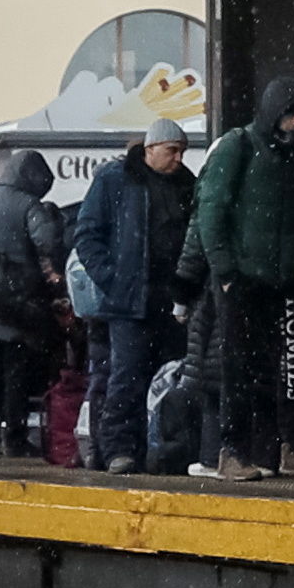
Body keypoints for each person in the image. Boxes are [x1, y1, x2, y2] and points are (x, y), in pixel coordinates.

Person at [186, 80, 294, 481]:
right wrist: (226, 273)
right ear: (273, 112)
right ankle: (235, 451)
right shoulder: (238, 147)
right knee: (242, 369)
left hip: (277, 283)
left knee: (278, 371)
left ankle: (274, 450)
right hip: (244, 282)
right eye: (290, 113)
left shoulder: (285, 154)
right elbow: (210, 212)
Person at [72, 123, 191, 471]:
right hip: (130, 301)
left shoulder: (184, 182)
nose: (179, 158)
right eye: (172, 151)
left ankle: (157, 449)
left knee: (168, 379)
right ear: (151, 148)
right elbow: (88, 235)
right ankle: (119, 449)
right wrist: (113, 280)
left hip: (169, 300)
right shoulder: (116, 179)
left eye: (182, 151)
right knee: (127, 378)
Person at [0, 150, 66, 463]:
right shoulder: (30, 205)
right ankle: (14, 439)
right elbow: (47, 242)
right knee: (15, 376)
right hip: (20, 304)